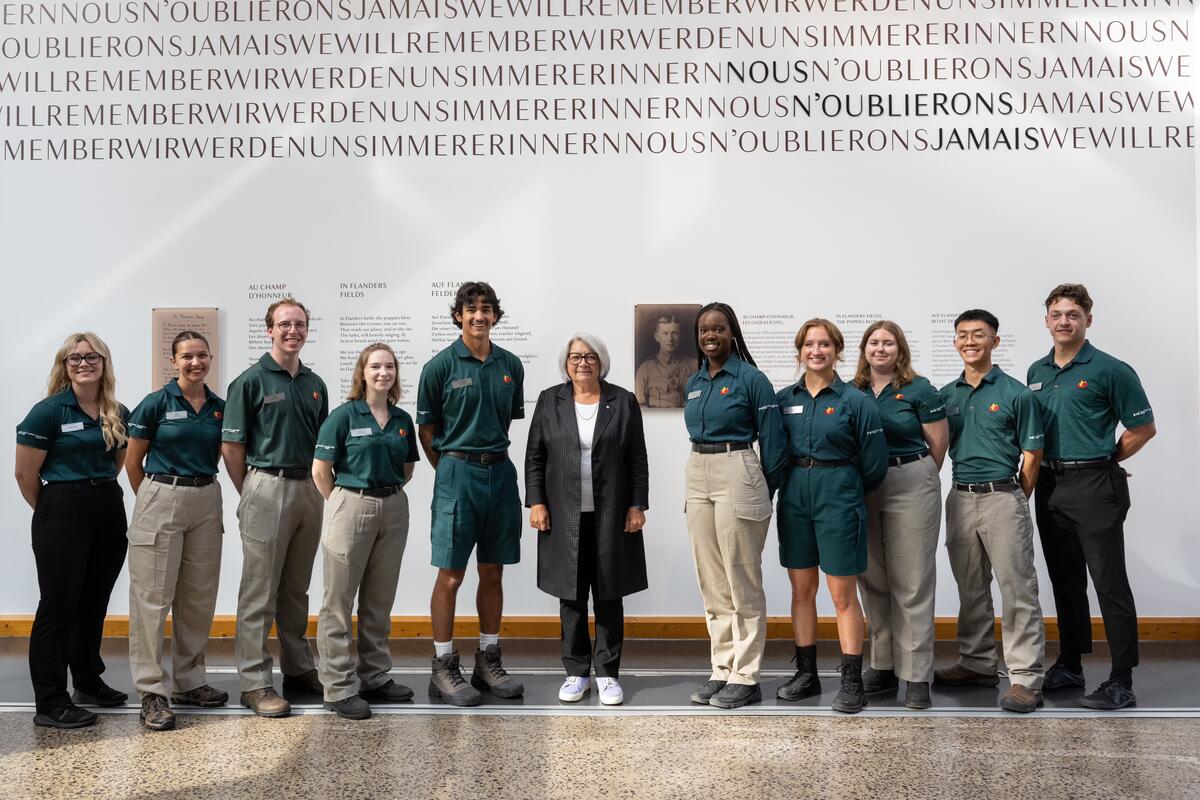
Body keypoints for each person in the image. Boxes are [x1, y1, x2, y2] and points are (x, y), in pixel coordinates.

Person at [1027, 284, 1155, 711]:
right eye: (1057, 314)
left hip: (1094, 486)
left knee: (1109, 583)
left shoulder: (1111, 369)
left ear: (1088, 320)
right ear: (1046, 320)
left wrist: (1106, 460)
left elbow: (1143, 428)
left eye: (1073, 314)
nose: (1065, 321)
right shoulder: (1037, 371)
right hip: (1049, 484)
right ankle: (1069, 665)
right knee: (1065, 581)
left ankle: (1122, 680)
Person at [416, 281, 526, 706]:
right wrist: (449, 471)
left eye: (486, 308)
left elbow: (505, 420)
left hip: (499, 473)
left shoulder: (510, 365)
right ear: (458, 315)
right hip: (456, 473)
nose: (478, 315)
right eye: (470, 308)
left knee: (493, 571)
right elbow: (427, 431)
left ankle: (488, 659)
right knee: (451, 574)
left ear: (495, 315)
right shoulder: (440, 367)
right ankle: (443, 665)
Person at [526, 333, 649, 706]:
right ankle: (577, 672)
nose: (583, 362)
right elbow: (535, 457)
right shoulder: (550, 400)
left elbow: (637, 460)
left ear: (602, 362)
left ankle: (609, 674)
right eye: (576, 356)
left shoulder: (623, 401)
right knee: (571, 596)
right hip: (563, 516)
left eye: (591, 356)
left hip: (612, 514)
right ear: (566, 363)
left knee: (610, 594)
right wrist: (536, 503)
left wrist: (636, 505)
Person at [15, 333, 130, 729]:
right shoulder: (47, 412)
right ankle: (50, 702)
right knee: (58, 607)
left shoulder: (117, 411)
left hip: (107, 507)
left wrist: (93, 497)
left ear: (104, 362)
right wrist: (57, 510)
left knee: (94, 602)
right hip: (62, 509)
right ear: (64, 365)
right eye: (75, 357)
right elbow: (25, 474)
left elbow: (115, 464)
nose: (84, 363)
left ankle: (87, 681)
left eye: (92, 356)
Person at [935, 309, 1047, 714]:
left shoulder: (1017, 393)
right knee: (971, 587)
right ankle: (977, 663)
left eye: (978, 335)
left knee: (1017, 589)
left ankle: (1026, 679)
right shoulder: (946, 395)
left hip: (1003, 496)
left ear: (995, 342)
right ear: (955, 343)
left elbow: (1032, 455)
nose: (970, 341)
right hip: (960, 497)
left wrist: (1017, 499)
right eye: (962, 335)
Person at [221, 297, 329, 718]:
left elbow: (323, 444)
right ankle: (254, 682)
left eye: (299, 324)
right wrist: (249, 488)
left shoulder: (315, 382)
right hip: (266, 485)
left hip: (307, 490)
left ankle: (299, 671)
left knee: (295, 591)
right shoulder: (249, 381)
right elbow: (231, 445)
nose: (292, 331)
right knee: (259, 592)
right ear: (269, 330)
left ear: (306, 330)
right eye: (284, 324)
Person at [774, 319, 889, 714]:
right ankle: (806, 674)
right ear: (800, 351)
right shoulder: (784, 397)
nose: (816, 351)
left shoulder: (856, 401)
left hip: (838, 496)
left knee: (842, 595)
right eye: (809, 344)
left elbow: (874, 465)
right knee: (802, 590)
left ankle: (851, 680)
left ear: (838, 351)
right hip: (794, 497)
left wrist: (843, 488)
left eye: (824, 344)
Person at [683, 302, 786, 710]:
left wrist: (762, 487)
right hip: (697, 469)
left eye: (719, 329)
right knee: (712, 581)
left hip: (738, 467)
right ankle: (722, 668)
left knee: (741, 579)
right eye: (704, 329)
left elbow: (774, 442)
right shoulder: (695, 380)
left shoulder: (752, 379)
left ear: (733, 333)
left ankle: (747, 675)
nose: (710, 335)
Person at [124, 331, 228, 731]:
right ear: (174, 360)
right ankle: (152, 691)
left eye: (202, 355)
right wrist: (153, 500)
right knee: (153, 598)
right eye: (187, 356)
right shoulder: (155, 404)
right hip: (162, 493)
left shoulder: (219, 408)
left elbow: (218, 453)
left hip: (205, 496)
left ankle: (189, 681)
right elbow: (134, 462)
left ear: (210, 358)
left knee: (198, 595)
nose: (195, 362)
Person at [313, 343, 420, 720]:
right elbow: (320, 471)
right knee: (338, 601)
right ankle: (338, 687)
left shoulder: (403, 419)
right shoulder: (343, 416)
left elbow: (408, 468)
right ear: (362, 372)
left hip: (392, 504)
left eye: (389, 366)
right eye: (375, 366)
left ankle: (374, 676)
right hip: (351, 503)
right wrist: (345, 502)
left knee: (379, 599)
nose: (383, 372)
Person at [852, 321, 948, 710]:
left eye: (888, 343)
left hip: (910, 480)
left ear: (900, 349)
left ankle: (916, 674)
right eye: (873, 343)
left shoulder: (920, 389)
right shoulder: (853, 390)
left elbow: (938, 445)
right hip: (864, 485)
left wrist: (913, 474)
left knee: (912, 582)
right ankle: (884, 663)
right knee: (872, 577)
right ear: (864, 349)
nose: (880, 349)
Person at [634, 315, 697, 408]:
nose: (670, 339)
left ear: (681, 336)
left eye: (675, 333)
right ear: (657, 337)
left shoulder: (695, 365)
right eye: (665, 333)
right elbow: (639, 406)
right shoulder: (645, 369)